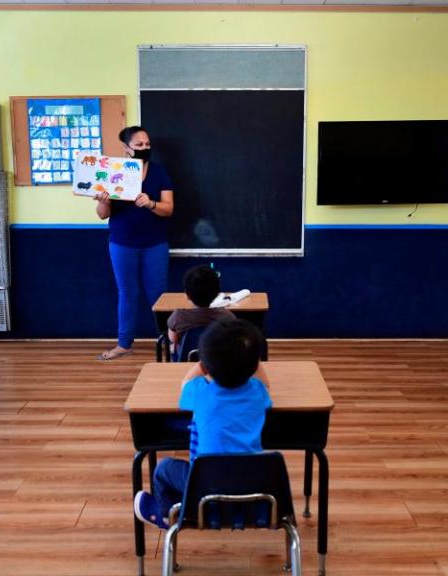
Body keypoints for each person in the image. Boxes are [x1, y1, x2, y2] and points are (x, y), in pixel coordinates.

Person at [133, 318, 271, 528]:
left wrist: (203, 363)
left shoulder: (200, 393)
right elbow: (265, 383)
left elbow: (185, 382)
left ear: (205, 366)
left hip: (203, 486)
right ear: (253, 365)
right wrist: (249, 359)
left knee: (163, 469)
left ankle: (168, 515)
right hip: (250, 486)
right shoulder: (258, 394)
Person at [95, 126, 174, 360]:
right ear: (126, 148)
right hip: (122, 243)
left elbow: (168, 208)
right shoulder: (112, 172)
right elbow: (102, 214)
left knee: (159, 295)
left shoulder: (159, 173)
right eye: (139, 145)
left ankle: (169, 341)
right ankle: (124, 344)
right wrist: (103, 200)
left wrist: (151, 204)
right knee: (127, 293)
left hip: (155, 244)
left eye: (147, 144)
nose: (145, 148)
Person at [167, 265, 234, 356]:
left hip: (186, 362)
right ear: (217, 294)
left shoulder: (178, 317)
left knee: (173, 346)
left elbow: (173, 338)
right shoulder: (227, 317)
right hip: (217, 363)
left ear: (187, 294)